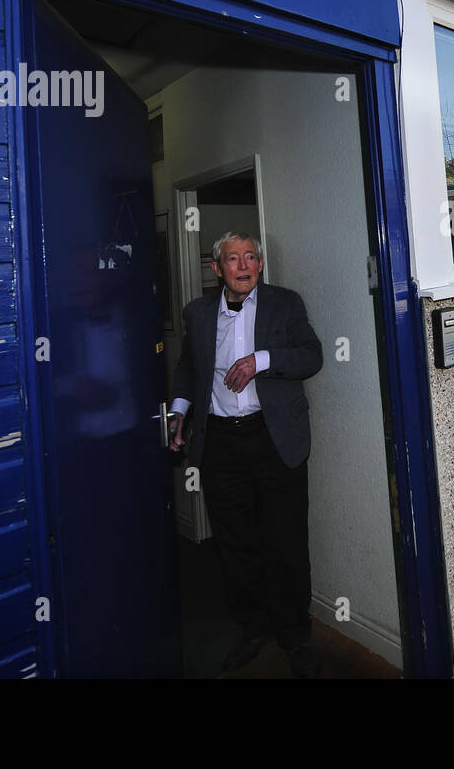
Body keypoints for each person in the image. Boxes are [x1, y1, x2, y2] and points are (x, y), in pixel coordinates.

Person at [169, 231, 324, 677]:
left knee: (286, 541)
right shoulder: (197, 313)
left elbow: (311, 357)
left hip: (274, 439)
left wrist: (260, 360)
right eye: (232, 259)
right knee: (236, 543)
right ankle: (252, 628)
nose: (242, 266)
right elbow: (187, 369)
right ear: (217, 269)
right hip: (220, 443)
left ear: (260, 264)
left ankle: (295, 636)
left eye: (250, 257)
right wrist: (180, 411)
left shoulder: (285, 303)